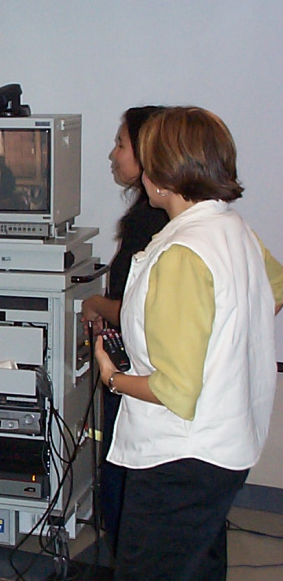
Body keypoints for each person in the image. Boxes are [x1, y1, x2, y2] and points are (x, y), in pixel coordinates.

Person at [93, 106, 283, 580]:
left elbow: (175, 391)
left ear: (163, 172)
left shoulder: (180, 252)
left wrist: (113, 377)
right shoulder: (231, 227)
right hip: (224, 447)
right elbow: (274, 289)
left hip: (179, 459)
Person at [80, 106, 168, 555]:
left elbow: (142, 313)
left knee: (123, 468)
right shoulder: (148, 215)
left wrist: (96, 304)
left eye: (120, 144)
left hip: (137, 377)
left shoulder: (158, 224)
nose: (112, 154)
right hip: (134, 365)